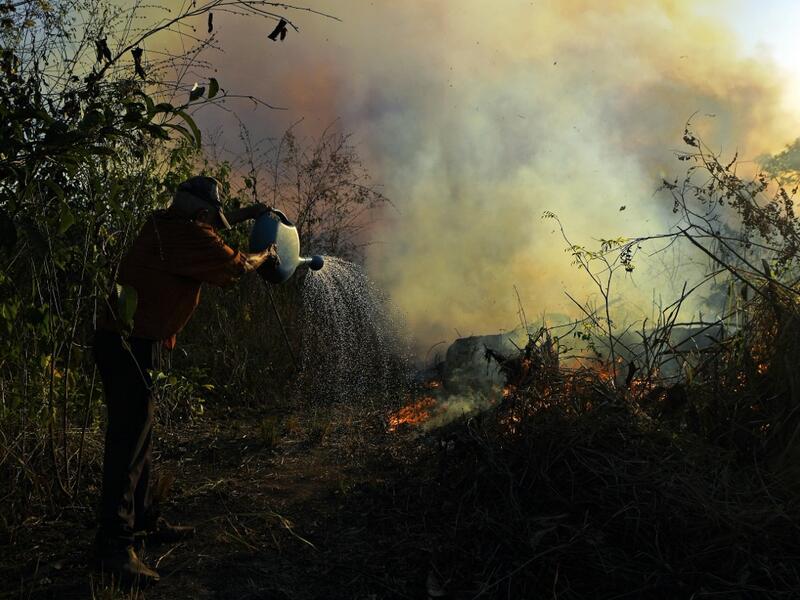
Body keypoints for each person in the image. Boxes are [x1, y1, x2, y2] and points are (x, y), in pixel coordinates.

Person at [92, 176, 279, 584]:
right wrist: (268, 254)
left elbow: (200, 241)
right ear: (199, 215)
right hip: (130, 345)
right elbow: (238, 265)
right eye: (213, 220)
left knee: (140, 438)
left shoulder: (162, 223)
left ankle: (142, 523)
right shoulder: (190, 235)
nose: (215, 228)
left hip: (128, 341)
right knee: (127, 445)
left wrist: (249, 212)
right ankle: (115, 548)